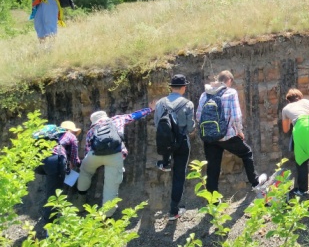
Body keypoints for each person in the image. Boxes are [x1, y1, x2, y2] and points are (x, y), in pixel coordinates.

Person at [77, 102, 156, 216]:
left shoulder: (92, 129)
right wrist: (150, 109)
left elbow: (88, 148)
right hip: (115, 156)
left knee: (85, 172)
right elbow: (134, 116)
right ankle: (106, 217)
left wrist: (87, 161)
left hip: (94, 155)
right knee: (111, 186)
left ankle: (80, 201)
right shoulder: (116, 120)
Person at [196, 70, 260, 197]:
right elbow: (236, 116)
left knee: (212, 167)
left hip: (209, 137)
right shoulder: (231, 92)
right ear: (229, 81)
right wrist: (239, 132)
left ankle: (212, 199)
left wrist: (209, 130)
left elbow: (198, 116)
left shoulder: (205, 94)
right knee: (247, 153)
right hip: (227, 135)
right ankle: (255, 183)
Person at [154, 74, 196, 220]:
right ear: (183, 88)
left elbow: (157, 124)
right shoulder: (188, 104)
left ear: (171, 88)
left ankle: (165, 163)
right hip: (182, 142)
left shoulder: (160, 103)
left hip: (165, 143)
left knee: (167, 148)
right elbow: (190, 128)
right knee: (179, 175)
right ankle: (174, 210)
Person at [281, 88, 309, 199]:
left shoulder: (286, 108)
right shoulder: (306, 102)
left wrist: (293, 121)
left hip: (302, 126)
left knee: (301, 160)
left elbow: (286, 129)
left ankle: (302, 190)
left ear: (288, 100)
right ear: (300, 97)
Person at [39, 121, 82, 229]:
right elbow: (74, 158)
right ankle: (50, 228)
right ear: (71, 130)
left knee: (51, 188)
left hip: (40, 161)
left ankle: (47, 216)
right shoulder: (70, 136)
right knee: (54, 195)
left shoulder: (53, 135)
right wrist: (80, 164)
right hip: (55, 160)